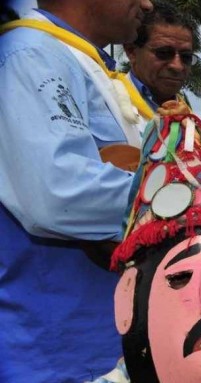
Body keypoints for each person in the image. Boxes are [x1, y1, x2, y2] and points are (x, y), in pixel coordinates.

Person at [0, 0, 153, 381]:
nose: (148, 4)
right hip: (54, 347)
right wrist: (182, 197)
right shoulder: (30, 53)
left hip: (96, 337)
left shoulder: (76, 61)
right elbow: (58, 191)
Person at [124, 0, 196, 112]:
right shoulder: (102, 103)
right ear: (131, 51)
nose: (178, 66)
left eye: (186, 57)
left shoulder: (197, 127)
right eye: (164, 53)